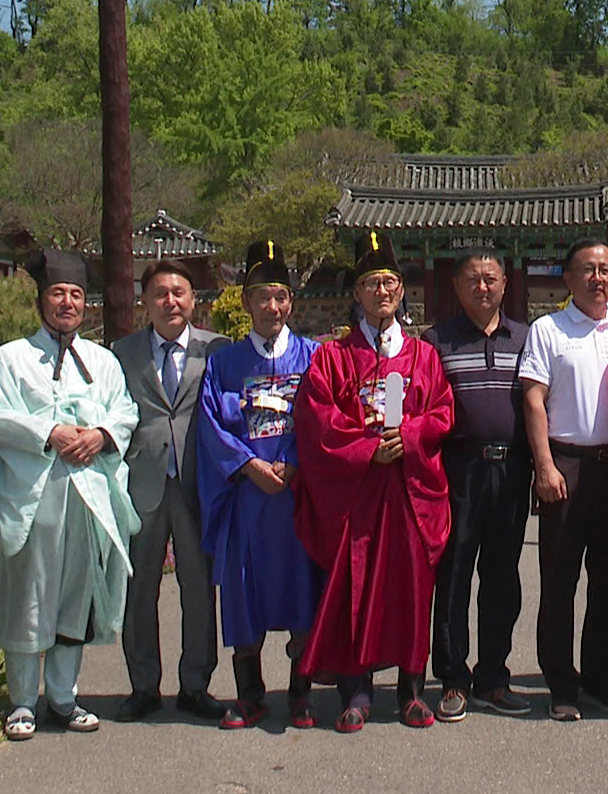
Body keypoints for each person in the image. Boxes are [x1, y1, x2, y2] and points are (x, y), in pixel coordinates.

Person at [293, 234, 455, 732]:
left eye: (389, 282)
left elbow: (443, 411)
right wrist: (368, 448)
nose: (381, 291)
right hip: (359, 493)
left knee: (411, 589)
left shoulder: (423, 355)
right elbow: (318, 418)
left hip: (408, 492)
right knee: (355, 589)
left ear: (402, 290)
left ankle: (411, 688)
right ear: (357, 295)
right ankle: (356, 689)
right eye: (370, 283)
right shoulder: (333, 358)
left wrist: (406, 436)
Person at [0, 250, 141, 741]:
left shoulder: (103, 360)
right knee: (32, 592)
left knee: (75, 595)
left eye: (75, 295)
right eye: (58, 293)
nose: (67, 303)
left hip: (89, 493)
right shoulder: (12, 357)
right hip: (37, 496)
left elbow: (126, 412)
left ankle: (64, 696)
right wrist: (48, 430)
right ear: (40, 301)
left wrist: (101, 435)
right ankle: (22, 702)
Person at [195, 241, 326, 729]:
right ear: (246, 301)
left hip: (296, 497)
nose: (272, 307)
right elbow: (211, 425)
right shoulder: (224, 363)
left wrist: (292, 462)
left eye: (280, 296)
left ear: (291, 302)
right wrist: (250, 465)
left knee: (301, 592)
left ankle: (300, 693)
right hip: (248, 499)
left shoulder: (314, 357)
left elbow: (324, 419)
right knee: (244, 592)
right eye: (262, 296)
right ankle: (249, 694)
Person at [519, 239, 608, 723]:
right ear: (567, 278)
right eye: (586, 269)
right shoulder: (548, 329)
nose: (597, 278)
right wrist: (544, 466)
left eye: (606, 270)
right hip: (564, 464)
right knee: (560, 581)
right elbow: (533, 400)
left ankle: (602, 680)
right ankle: (561, 684)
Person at [113, 260, 229, 725]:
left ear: (193, 300)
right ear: (146, 302)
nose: (170, 301)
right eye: (160, 293)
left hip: (197, 481)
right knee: (138, 587)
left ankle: (195, 684)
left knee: (198, 587)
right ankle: (143, 685)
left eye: (179, 292)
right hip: (143, 481)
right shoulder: (122, 352)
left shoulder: (216, 350)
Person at [422, 249, 532, 720]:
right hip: (457, 471)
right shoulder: (436, 342)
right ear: (456, 286)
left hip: (511, 472)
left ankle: (494, 676)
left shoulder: (527, 339)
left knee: (502, 577)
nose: (482, 288)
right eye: (472, 279)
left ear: (505, 285)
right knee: (454, 577)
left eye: (490, 279)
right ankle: (452, 678)